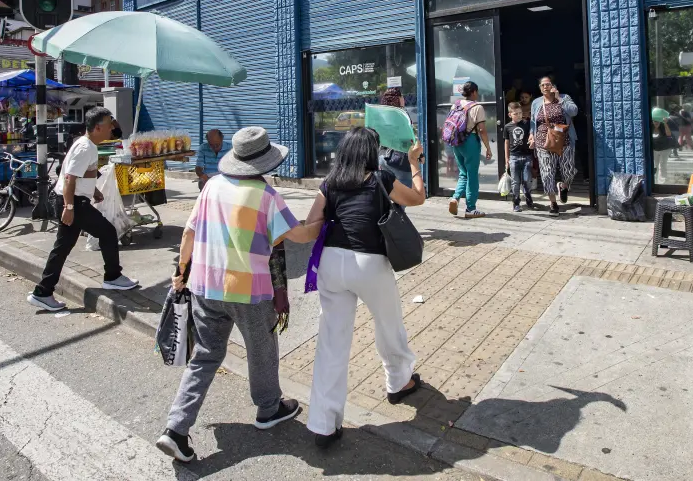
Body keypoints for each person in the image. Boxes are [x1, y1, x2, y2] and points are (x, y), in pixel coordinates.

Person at [157, 126, 321, 463]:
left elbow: (188, 234)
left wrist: (181, 271)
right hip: (250, 290)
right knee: (261, 351)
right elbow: (301, 236)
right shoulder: (267, 196)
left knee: (205, 356)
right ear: (265, 162)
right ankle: (268, 409)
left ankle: (176, 428)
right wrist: (325, 215)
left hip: (204, 285)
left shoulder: (211, 186)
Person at [304, 128, 426, 449]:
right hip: (368, 263)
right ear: (370, 152)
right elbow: (417, 198)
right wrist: (414, 163)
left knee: (331, 342)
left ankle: (324, 425)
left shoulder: (330, 182)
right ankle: (398, 382)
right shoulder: (380, 178)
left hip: (331, 262)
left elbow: (311, 223)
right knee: (389, 326)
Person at [27, 107, 139, 312]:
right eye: (107, 126)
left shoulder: (86, 144)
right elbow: (69, 179)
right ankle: (113, 276)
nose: (110, 131)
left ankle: (42, 292)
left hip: (75, 201)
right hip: (74, 203)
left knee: (62, 248)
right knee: (107, 232)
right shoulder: (85, 147)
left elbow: (78, 175)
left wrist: (94, 190)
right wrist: (69, 207)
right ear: (97, 127)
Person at [530, 77, 578, 217]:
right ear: (540, 88)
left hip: (564, 140)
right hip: (543, 141)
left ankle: (563, 186)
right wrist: (532, 135)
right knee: (547, 173)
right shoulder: (536, 102)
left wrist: (560, 100)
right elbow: (533, 122)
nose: (545, 87)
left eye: (548, 84)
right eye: (543, 85)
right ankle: (553, 203)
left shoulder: (564, 98)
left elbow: (574, 112)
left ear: (554, 86)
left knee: (568, 171)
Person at [447, 81, 494, 219]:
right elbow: (482, 130)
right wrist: (488, 148)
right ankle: (471, 209)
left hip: (456, 142)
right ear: (473, 92)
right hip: (470, 142)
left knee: (463, 173)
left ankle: (455, 198)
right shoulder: (477, 107)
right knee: (472, 175)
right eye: (477, 92)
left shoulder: (455, 105)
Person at [377, 88, 413, 187]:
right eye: (402, 96)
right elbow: (408, 138)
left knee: (388, 193)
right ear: (398, 99)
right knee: (405, 195)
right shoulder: (402, 114)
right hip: (399, 160)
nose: (404, 99)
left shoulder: (382, 114)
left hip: (383, 157)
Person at [503, 102, 533, 212]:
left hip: (527, 157)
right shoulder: (507, 127)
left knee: (526, 180)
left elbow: (532, 135)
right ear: (510, 114)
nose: (519, 115)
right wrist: (507, 158)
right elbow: (506, 143)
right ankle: (516, 202)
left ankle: (528, 195)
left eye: (520, 113)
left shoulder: (527, 123)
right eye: (516, 113)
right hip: (514, 157)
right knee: (515, 181)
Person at [652, 117, 673, 184]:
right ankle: (655, 181)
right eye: (655, 121)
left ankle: (662, 183)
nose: (656, 122)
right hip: (655, 149)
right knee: (655, 166)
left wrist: (665, 123)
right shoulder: (650, 127)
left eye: (658, 121)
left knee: (662, 165)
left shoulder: (663, 126)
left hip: (665, 149)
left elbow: (669, 134)